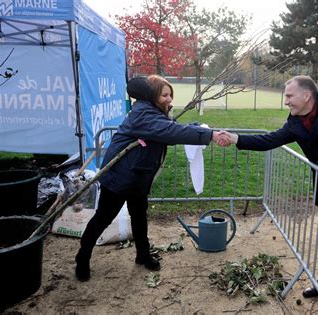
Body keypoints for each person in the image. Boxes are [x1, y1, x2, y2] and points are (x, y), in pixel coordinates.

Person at [221, 75, 318, 313]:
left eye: (289, 96)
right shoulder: (295, 123)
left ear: (306, 96)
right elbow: (269, 140)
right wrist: (236, 139)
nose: (286, 101)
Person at [75, 75, 230, 281]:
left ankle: (143, 254)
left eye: (170, 95)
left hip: (138, 176)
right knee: (103, 218)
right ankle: (82, 257)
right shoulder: (143, 114)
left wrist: (199, 128)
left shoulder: (153, 113)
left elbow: (169, 129)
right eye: (164, 95)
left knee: (139, 216)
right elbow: (170, 131)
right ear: (153, 95)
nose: (169, 99)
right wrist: (209, 135)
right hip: (120, 176)